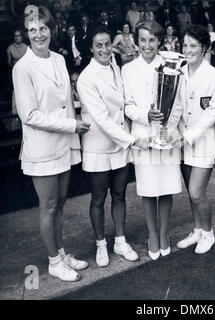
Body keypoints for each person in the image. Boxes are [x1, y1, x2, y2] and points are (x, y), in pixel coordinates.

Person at [13, 5, 91, 281]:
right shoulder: (22, 68)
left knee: (60, 203)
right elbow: (29, 115)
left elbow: (65, 101)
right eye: (32, 30)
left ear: (51, 29)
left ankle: (61, 251)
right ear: (26, 33)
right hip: (42, 148)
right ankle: (54, 262)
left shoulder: (58, 59)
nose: (38, 34)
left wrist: (78, 123)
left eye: (42, 28)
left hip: (64, 144)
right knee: (48, 206)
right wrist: (72, 125)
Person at [77, 25, 148, 268]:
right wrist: (132, 139)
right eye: (99, 45)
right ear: (91, 48)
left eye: (108, 44)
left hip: (120, 143)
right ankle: (100, 245)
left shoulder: (115, 66)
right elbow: (101, 119)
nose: (105, 49)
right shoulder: (86, 78)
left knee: (119, 194)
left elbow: (122, 105)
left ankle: (120, 240)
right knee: (98, 197)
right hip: (99, 144)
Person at [121, 20, 182, 260]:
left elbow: (178, 103)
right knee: (148, 189)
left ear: (160, 42)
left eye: (152, 40)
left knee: (166, 187)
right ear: (137, 42)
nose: (147, 45)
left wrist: (167, 126)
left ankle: (165, 234)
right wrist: (146, 116)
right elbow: (127, 105)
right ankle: (152, 234)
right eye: (143, 40)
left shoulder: (171, 66)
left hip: (166, 134)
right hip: (143, 137)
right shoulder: (128, 69)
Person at [169, 25, 215, 254]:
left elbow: (212, 113)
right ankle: (198, 229)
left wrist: (187, 136)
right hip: (182, 141)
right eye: (185, 45)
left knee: (196, 192)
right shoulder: (179, 70)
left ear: (205, 48)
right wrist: (174, 132)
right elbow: (176, 105)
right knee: (191, 193)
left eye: (193, 45)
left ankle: (208, 233)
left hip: (203, 142)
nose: (187, 50)